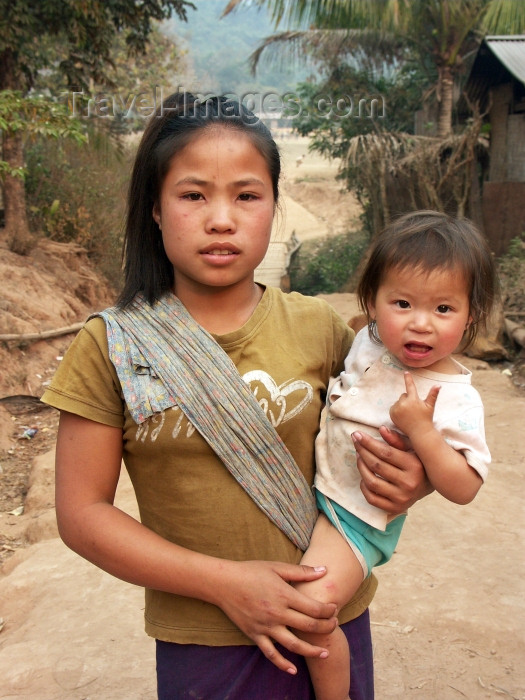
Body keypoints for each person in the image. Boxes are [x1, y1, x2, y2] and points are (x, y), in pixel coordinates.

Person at [41, 92, 430, 700]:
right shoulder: (111, 346)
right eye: (193, 195)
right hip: (206, 645)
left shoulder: (322, 331)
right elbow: (82, 515)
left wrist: (413, 480)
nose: (221, 219)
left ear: (274, 207)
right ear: (154, 207)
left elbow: (401, 439)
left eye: (247, 196)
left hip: (330, 624)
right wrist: (226, 584)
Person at [294, 210, 498, 700]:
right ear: (373, 302)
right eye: (402, 303)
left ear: (471, 314)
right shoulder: (369, 339)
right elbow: (357, 331)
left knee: (312, 609)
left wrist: (422, 433)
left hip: (356, 519)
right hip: (314, 490)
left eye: (444, 309)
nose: (420, 324)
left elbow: (465, 487)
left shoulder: (455, 397)